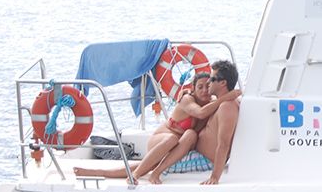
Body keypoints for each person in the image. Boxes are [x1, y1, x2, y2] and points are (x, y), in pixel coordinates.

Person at [74, 71, 241, 183]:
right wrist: (227, 96)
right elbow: (200, 113)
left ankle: (93, 172)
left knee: (185, 138)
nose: (205, 90)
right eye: (200, 87)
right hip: (162, 140)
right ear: (193, 89)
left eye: (207, 86)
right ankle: (137, 175)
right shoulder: (187, 100)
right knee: (173, 141)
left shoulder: (211, 105)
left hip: (177, 145)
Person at [148, 59, 240, 185]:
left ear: (223, 83)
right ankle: (120, 172)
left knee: (152, 163)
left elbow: (224, 144)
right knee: (149, 162)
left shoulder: (227, 107)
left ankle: (145, 173)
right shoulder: (220, 103)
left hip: (202, 160)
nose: (208, 81)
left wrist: (215, 177)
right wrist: (189, 92)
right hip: (194, 153)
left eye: (212, 79)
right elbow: (201, 108)